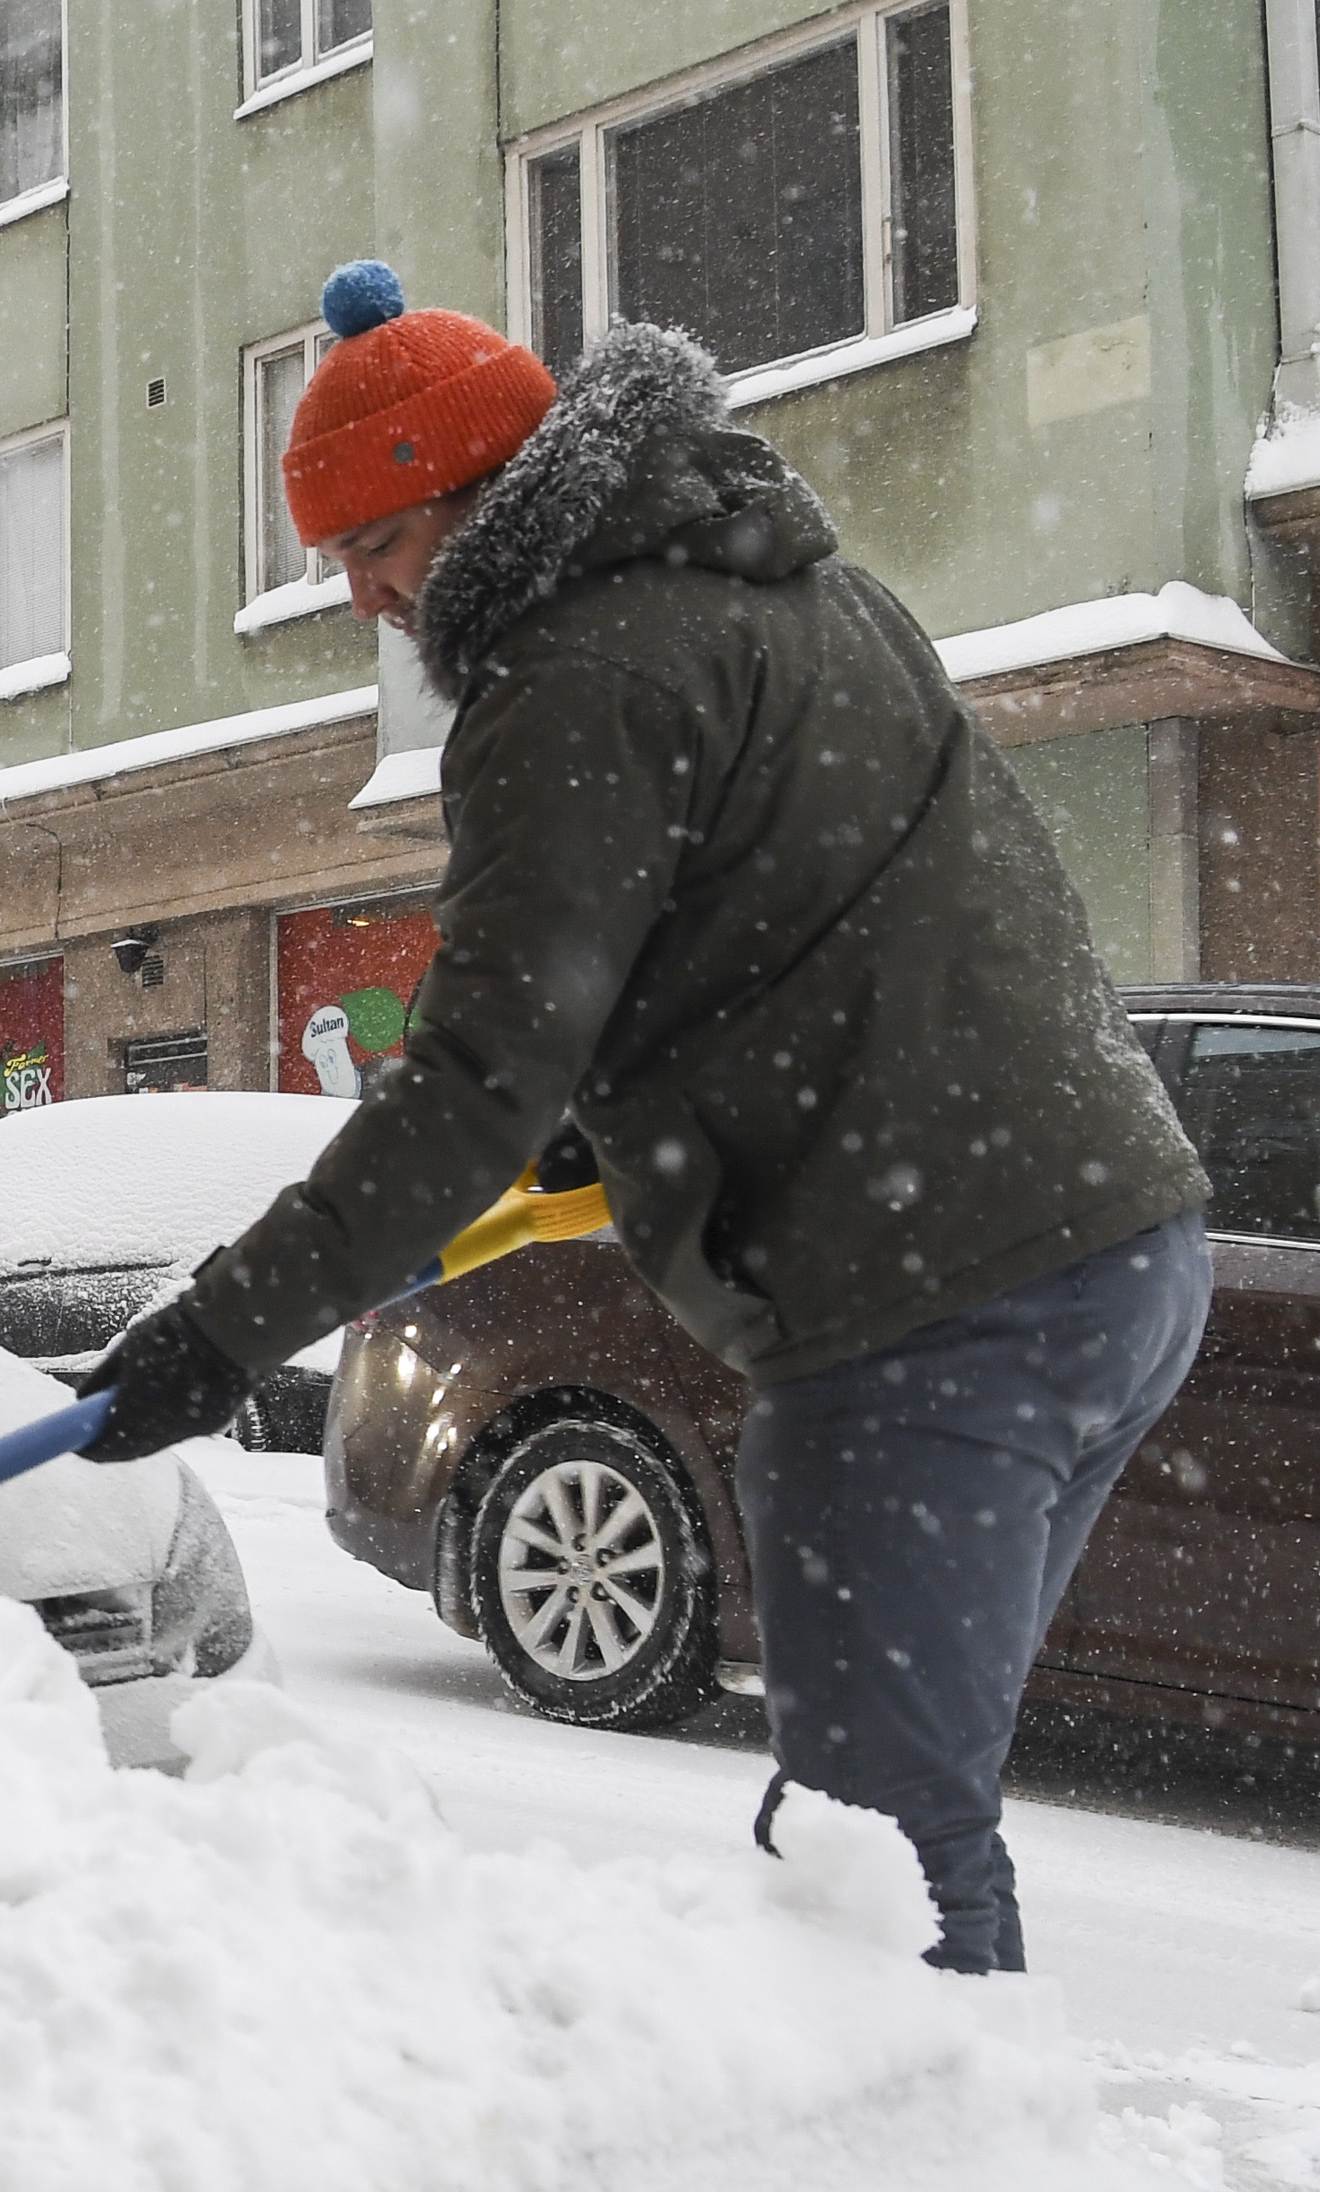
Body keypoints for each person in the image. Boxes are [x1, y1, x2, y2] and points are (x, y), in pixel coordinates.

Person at [74, 263, 1211, 1977]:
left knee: (876, 1853)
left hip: (926, 1303)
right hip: (1119, 1253)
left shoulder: (571, 676)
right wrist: (617, 1126)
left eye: (376, 543)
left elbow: (473, 1079)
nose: (367, 596)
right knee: (909, 1808)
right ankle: (937, 2136)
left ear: (472, 497)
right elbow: (814, 917)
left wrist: (216, 1342)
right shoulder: (810, 596)